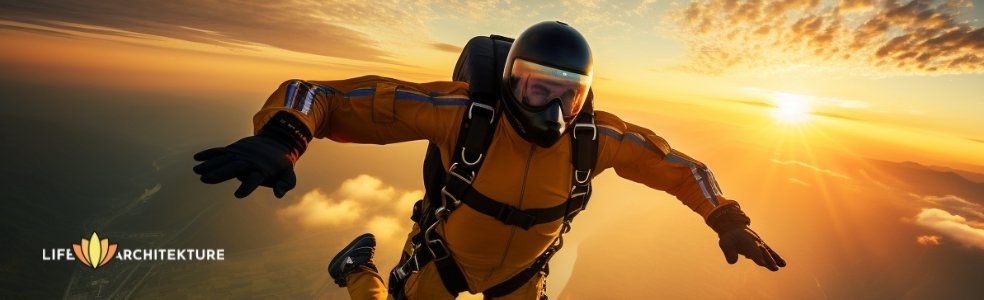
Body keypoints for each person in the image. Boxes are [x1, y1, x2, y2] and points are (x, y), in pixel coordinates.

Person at [193, 21, 785, 300]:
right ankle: (356, 269)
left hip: (522, 278)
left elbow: (682, 167)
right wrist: (283, 136)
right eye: (536, 88)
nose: (553, 108)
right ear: (509, 83)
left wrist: (725, 217)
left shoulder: (594, 138)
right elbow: (323, 95)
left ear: (585, 93)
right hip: (445, 261)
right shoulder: (459, 114)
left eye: (567, 93)